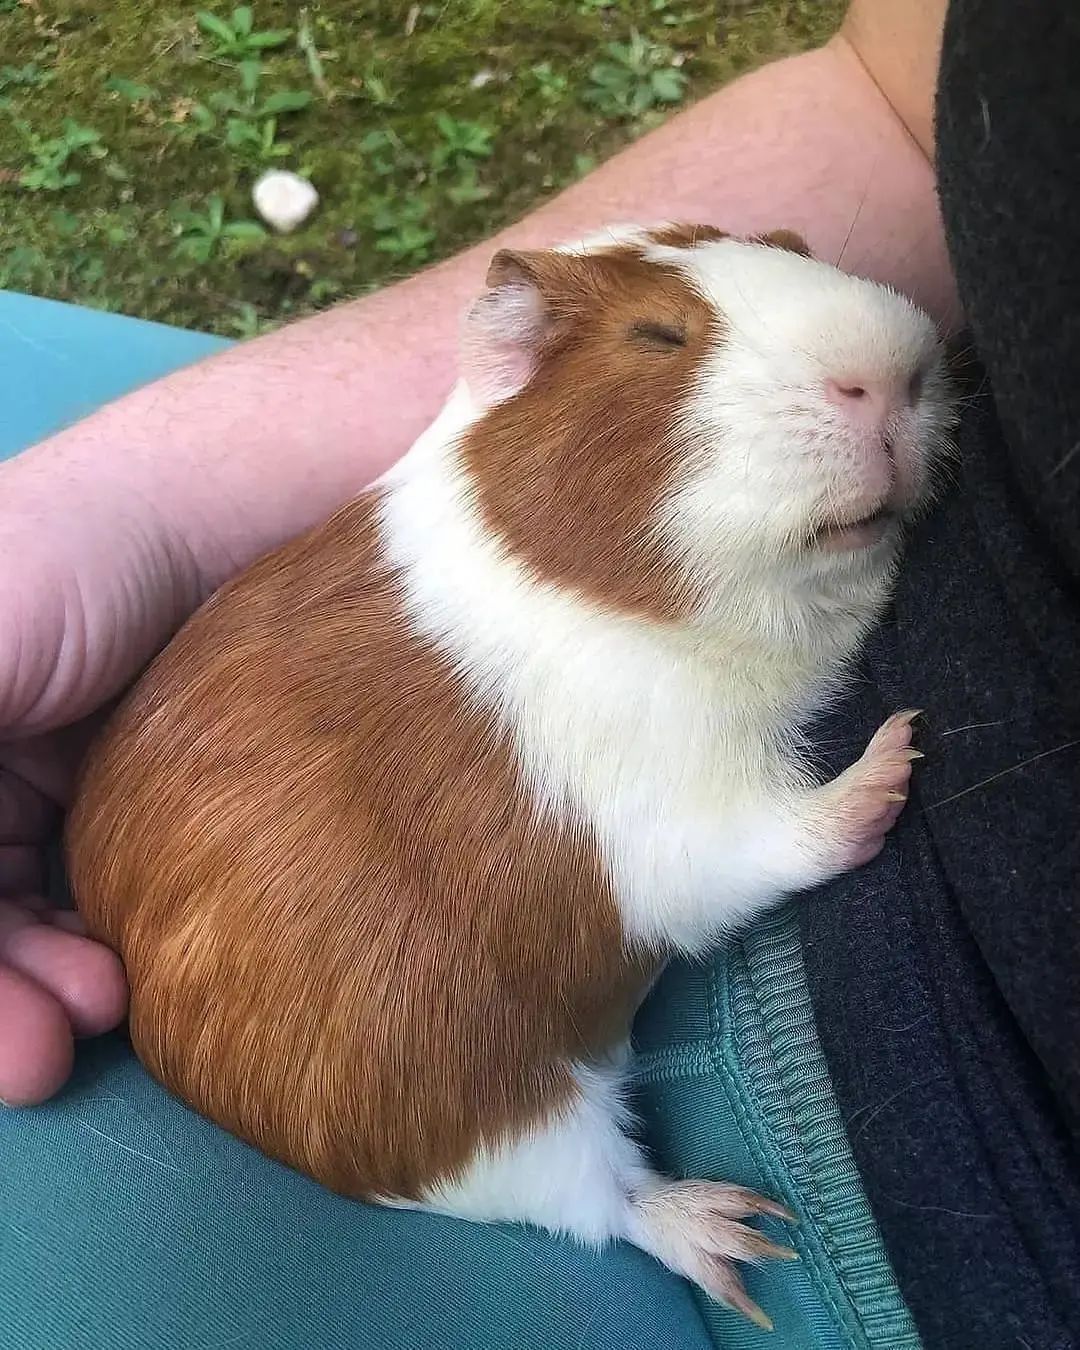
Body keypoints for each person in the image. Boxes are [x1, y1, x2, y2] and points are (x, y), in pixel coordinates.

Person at [0, 0, 1076, 1346]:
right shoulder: (572, 660)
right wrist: (138, 506)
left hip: (945, 1140)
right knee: (505, 1120)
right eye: (663, 338)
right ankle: (613, 1203)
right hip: (495, 1072)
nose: (889, 359)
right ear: (512, 367)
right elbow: (901, 99)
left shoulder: (568, 614)